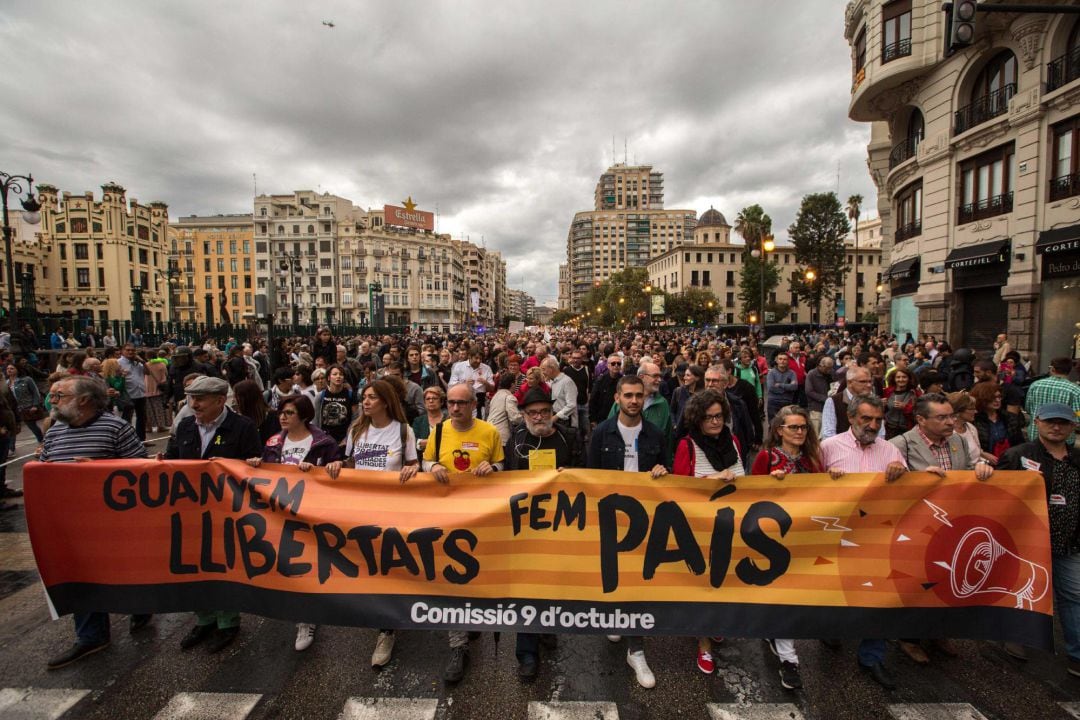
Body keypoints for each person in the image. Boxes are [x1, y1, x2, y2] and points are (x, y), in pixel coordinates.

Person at [41, 375, 151, 669]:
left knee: (125, 573)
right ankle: (91, 635)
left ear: (84, 400)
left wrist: (99, 470)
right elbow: (44, 471)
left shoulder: (115, 427)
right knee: (82, 577)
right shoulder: (54, 433)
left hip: (113, 524)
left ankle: (142, 605)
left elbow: (141, 467)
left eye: (59, 395)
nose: (53, 401)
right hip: (72, 525)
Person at [888, 392, 993, 665]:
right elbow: (886, 484)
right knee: (917, 584)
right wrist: (912, 479)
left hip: (952, 528)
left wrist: (980, 469)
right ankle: (909, 637)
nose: (950, 422)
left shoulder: (957, 440)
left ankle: (937, 632)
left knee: (946, 580)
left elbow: (969, 470)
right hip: (916, 529)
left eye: (951, 416)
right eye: (942, 417)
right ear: (921, 420)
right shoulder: (900, 444)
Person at [164, 376, 262, 654]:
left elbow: (254, 469)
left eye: (200, 399)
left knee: (223, 564)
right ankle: (204, 618)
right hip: (189, 510)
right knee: (193, 565)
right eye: (191, 398)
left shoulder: (242, 427)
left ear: (220, 400)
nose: (194, 404)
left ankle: (227, 622)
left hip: (226, 512)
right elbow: (171, 459)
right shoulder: (184, 426)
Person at [820, 394, 908, 690]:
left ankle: (872, 656)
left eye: (877, 420)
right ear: (851, 417)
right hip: (838, 536)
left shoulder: (892, 451)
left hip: (878, 538)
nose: (872, 425)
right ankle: (831, 629)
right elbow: (807, 491)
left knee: (880, 597)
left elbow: (909, 494)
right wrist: (826, 480)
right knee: (836, 590)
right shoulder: (828, 448)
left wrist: (904, 474)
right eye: (866, 419)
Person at [421, 382, 505, 683]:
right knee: (453, 576)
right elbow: (427, 459)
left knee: (477, 573)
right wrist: (431, 468)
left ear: (474, 404)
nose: (455, 408)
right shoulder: (440, 431)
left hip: (481, 516)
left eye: (461, 403)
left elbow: (501, 464)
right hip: (448, 516)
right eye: (451, 402)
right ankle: (458, 645)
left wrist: (492, 469)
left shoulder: (489, 432)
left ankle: (474, 617)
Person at [589, 375, 668, 689]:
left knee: (639, 580)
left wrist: (663, 472)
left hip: (644, 517)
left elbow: (669, 468)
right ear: (618, 399)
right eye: (628, 396)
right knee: (613, 574)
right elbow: (590, 475)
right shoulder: (600, 433)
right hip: (610, 516)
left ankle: (636, 649)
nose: (634, 401)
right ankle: (615, 616)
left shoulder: (656, 434)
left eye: (639, 396)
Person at [246, 394, 339, 652]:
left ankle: (306, 619)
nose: (283, 417)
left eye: (289, 413)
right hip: (281, 512)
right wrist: (257, 465)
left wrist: (324, 470)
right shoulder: (274, 441)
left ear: (304, 416)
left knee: (306, 564)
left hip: (312, 512)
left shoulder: (322, 442)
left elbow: (338, 471)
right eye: (281, 413)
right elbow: (266, 472)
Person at [504, 386, 584, 679]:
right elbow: (508, 482)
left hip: (561, 526)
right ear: (524, 415)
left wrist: (569, 477)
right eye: (533, 413)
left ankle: (549, 627)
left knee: (553, 583)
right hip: (526, 527)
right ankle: (527, 653)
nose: (539, 417)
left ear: (553, 413)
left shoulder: (570, 437)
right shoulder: (517, 440)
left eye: (544, 412)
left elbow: (585, 476)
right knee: (527, 588)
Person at [750, 405, 827, 690]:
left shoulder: (813, 460)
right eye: (793, 427)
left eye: (803, 427)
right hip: (772, 537)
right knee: (780, 591)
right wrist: (771, 484)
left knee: (792, 593)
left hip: (803, 535)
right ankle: (789, 659)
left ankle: (776, 636)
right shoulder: (766, 458)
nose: (799, 432)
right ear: (779, 430)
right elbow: (750, 495)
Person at [999, 403, 1080, 669]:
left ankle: (1077, 655)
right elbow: (1000, 496)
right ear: (1037, 422)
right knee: (1022, 590)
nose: (1056, 427)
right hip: (1028, 541)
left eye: (1063, 422)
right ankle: (1014, 636)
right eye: (1050, 422)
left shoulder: (1077, 458)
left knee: (1073, 597)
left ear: (1072, 426)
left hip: (1070, 542)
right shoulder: (1018, 455)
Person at [671, 388, 743, 680]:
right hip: (700, 529)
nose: (715, 422)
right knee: (703, 584)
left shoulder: (734, 441)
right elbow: (679, 488)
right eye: (709, 417)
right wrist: (714, 479)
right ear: (697, 420)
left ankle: (716, 623)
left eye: (719, 416)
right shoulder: (687, 447)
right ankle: (703, 643)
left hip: (732, 524)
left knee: (725, 581)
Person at [1025, 358, 1080, 444]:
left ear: (1052, 369)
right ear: (1069, 371)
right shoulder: (1075, 390)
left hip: (1036, 435)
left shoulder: (1035, 385)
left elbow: (1028, 408)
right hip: (1063, 439)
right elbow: (1078, 414)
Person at [970, 382, 1025, 462]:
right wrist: (982, 454)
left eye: (999, 397)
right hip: (984, 463)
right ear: (982, 399)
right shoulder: (974, 420)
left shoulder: (1010, 418)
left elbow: (1020, 443)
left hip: (1010, 462)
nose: (997, 400)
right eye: (992, 397)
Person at [820, 367, 875, 439]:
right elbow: (828, 433)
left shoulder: (874, 401)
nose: (869, 385)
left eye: (870, 381)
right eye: (863, 381)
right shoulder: (834, 401)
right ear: (849, 382)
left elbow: (880, 432)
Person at [313, 364, 356, 446]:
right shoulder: (320, 396)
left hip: (344, 439)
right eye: (335, 374)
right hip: (325, 439)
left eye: (341, 374)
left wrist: (347, 438)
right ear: (329, 378)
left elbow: (355, 418)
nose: (338, 376)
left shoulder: (350, 395)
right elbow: (316, 420)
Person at [7, 362, 44, 443]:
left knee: (32, 427)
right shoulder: (6, 383)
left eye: (12, 368)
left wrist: (35, 405)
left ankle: (42, 442)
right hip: (14, 409)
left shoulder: (27, 379)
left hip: (27, 407)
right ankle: (11, 449)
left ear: (17, 370)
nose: (9, 370)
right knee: (12, 428)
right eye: (8, 369)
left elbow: (35, 392)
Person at [233, 379, 280, 443]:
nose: (234, 400)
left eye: (236, 397)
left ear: (246, 399)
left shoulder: (274, 418)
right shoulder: (238, 420)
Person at [118, 343, 148, 441]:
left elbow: (148, 372)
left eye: (133, 350)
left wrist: (143, 362)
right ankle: (127, 440)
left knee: (142, 418)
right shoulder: (118, 363)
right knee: (127, 419)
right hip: (128, 394)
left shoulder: (138, 363)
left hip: (140, 393)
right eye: (128, 350)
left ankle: (141, 440)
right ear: (122, 351)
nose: (131, 352)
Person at [947, 390, 984, 464]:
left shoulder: (971, 428)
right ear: (957, 412)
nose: (975, 411)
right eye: (971, 409)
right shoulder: (947, 432)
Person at [486, 373, 522, 446]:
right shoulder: (509, 397)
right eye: (515, 382)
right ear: (512, 384)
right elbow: (515, 418)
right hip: (502, 438)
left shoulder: (496, 396)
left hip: (489, 434)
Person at [882, 367, 919, 439]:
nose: (901, 379)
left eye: (904, 377)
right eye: (898, 377)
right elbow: (883, 410)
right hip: (889, 428)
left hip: (907, 429)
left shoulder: (915, 393)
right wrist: (881, 405)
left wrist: (905, 408)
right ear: (894, 379)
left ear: (909, 378)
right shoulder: (887, 392)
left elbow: (919, 411)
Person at [589, 354, 622, 428]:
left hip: (619, 418)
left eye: (618, 363)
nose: (616, 365)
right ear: (608, 365)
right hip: (602, 419)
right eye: (613, 363)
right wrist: (593, 419)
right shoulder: (600, 380)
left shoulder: (624, 381)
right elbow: (593, 400)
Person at [413, 386, 447, 454]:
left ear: (441, 402)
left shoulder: (448, 419)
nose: (431, 401)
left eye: (434, 398)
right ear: (424, 402)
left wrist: (424, 442)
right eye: (428, 399)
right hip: (423, 459)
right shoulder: (418, 421)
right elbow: (413, 441)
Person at [805, 355, 834, 434]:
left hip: (829, 407)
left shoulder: (830, 374)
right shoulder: (811, 374)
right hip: (816, 408)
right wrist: (825, 399)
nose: (829, 370)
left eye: (831, 368)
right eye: (827, 368)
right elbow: (809, 391)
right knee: (816, 432)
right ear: (821, 366)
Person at [766, 352, 798, 422]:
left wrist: (780, 385)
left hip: (787, 403)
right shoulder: (771, 373)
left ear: (788, 361)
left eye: (784, 359)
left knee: (786, 425)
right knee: (773, 425)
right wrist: (788, 388)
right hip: (773, 403)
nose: (782, 361)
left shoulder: (792, 373)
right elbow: (771, 388)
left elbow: (794, 387)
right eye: (780, 359)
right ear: (776, 361)